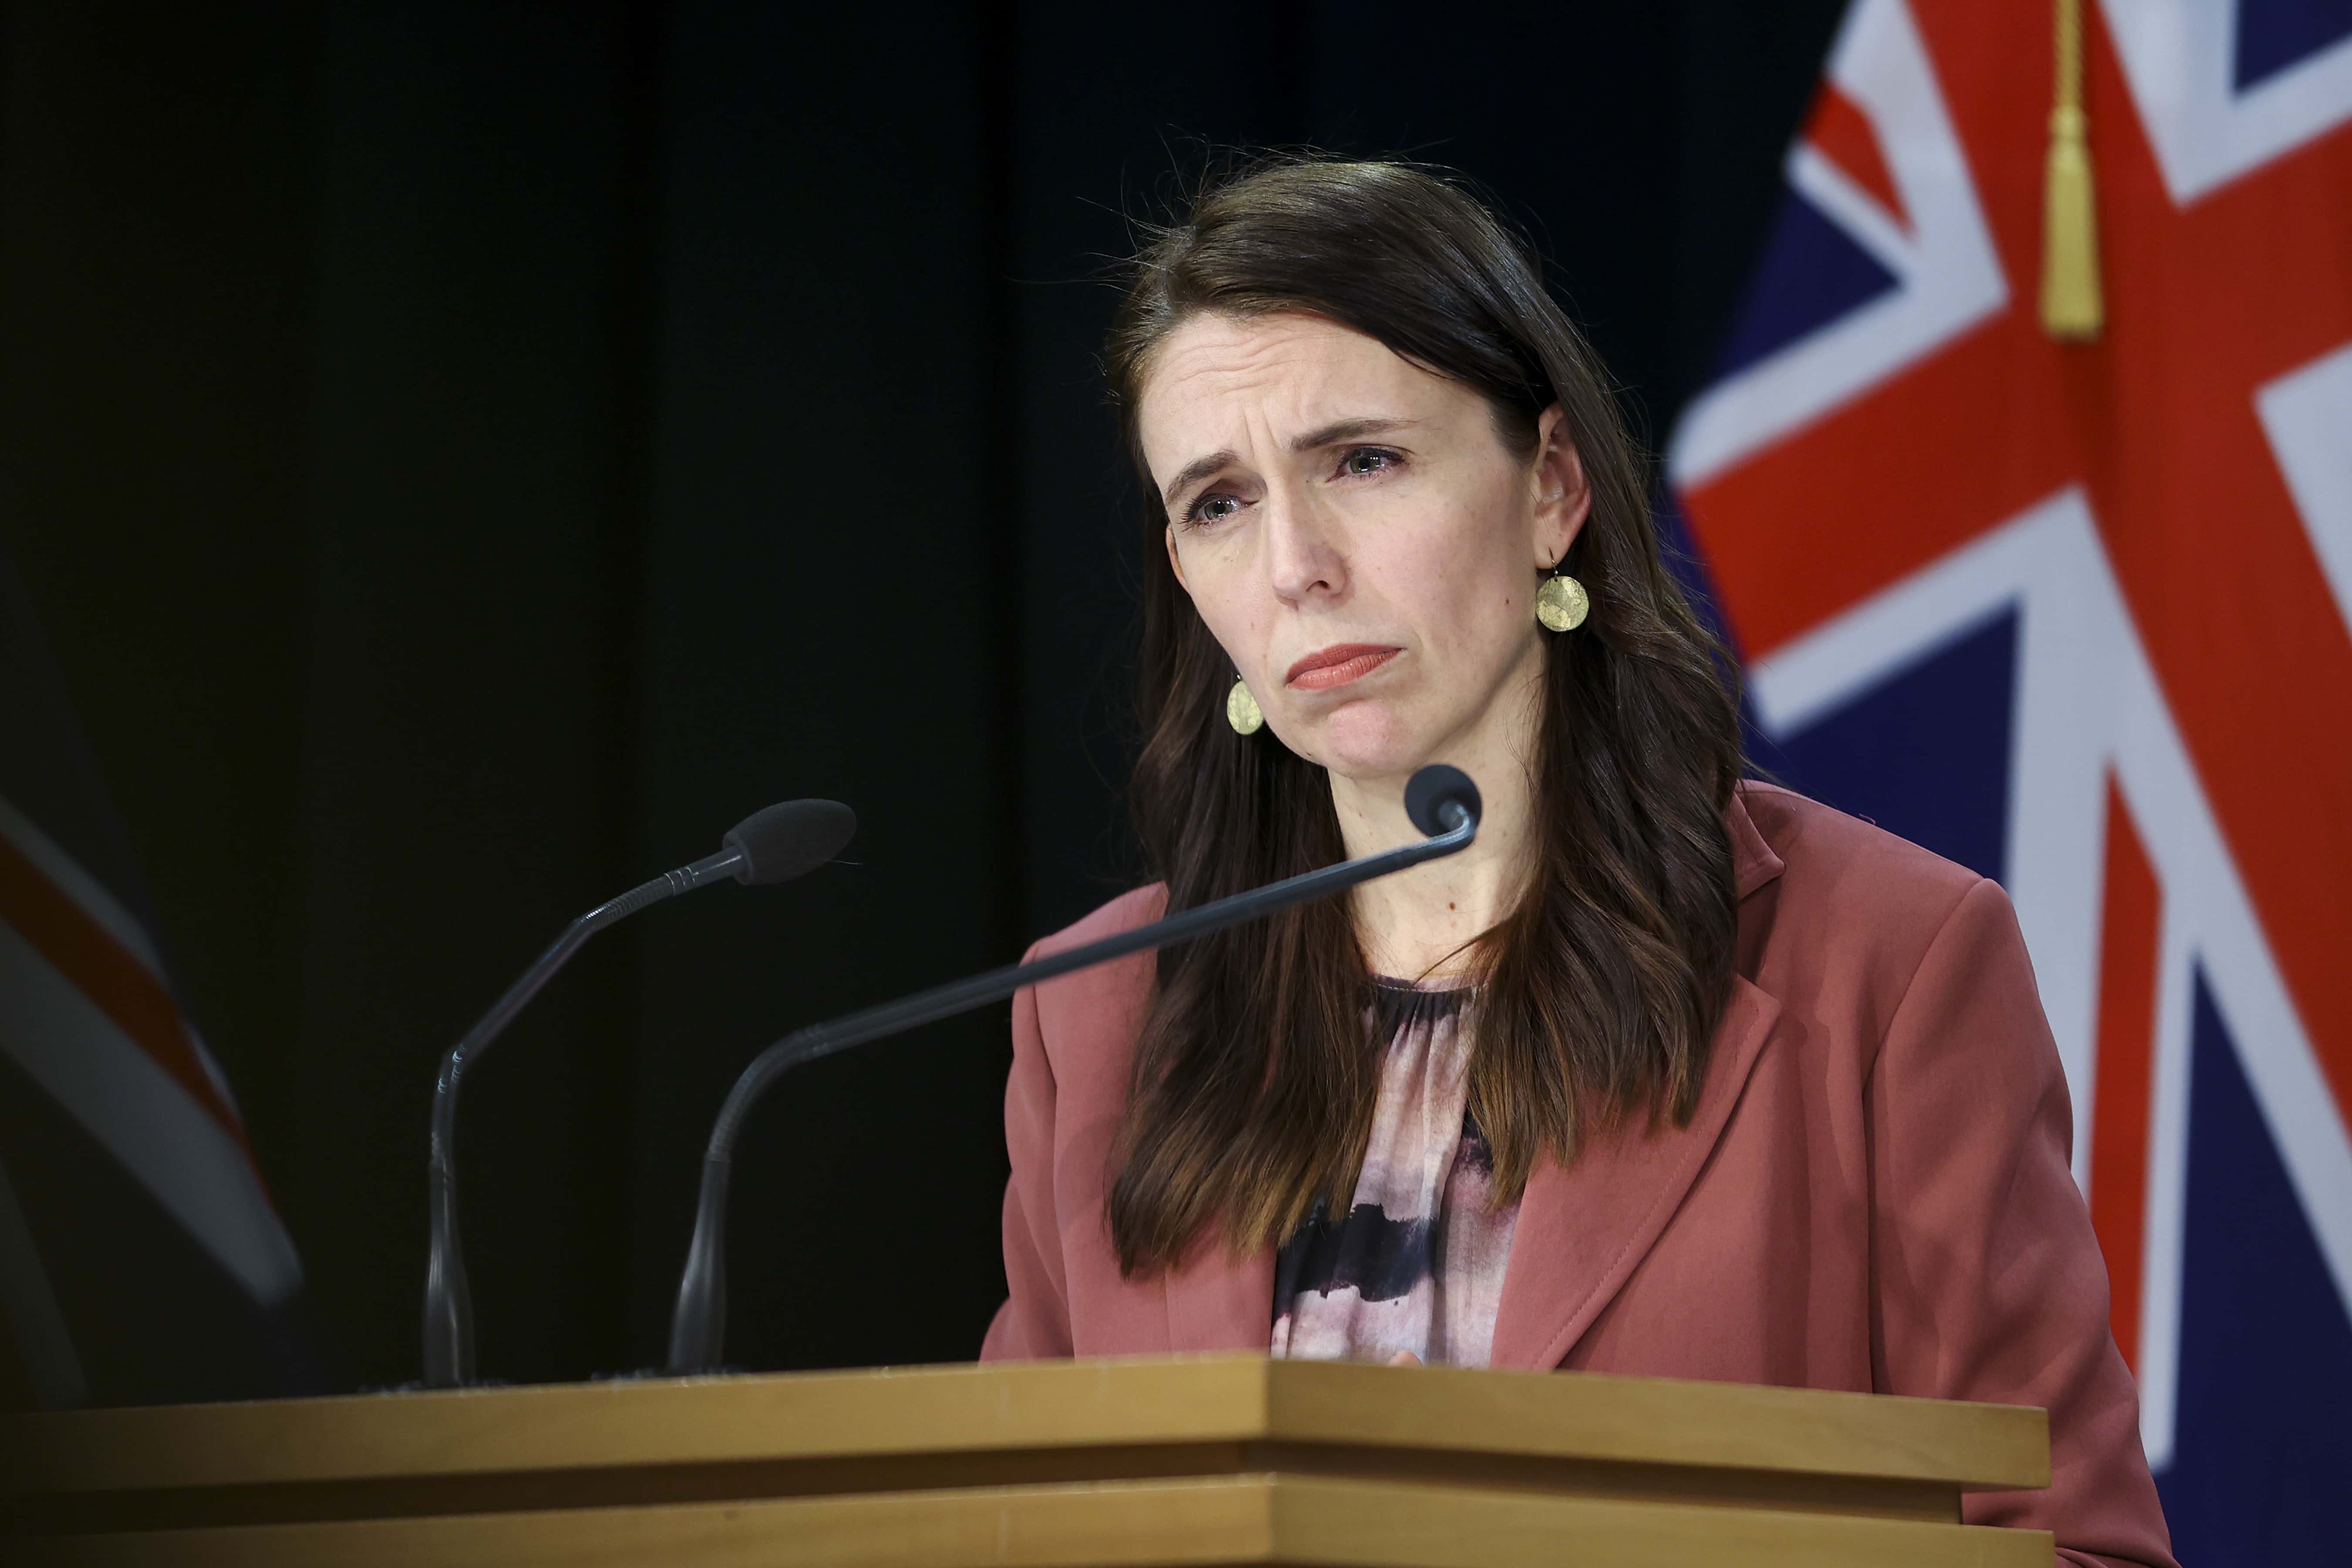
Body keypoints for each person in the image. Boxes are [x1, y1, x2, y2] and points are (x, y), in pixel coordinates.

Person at [979, 157, 2174, 1568]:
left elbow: (2075, 1546)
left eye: (1362, 462)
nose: (1296, 565)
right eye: (1219, 503)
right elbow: (1012, 1527)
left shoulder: (1889, 965)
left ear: (1551, 488)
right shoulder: (1096, 1014)